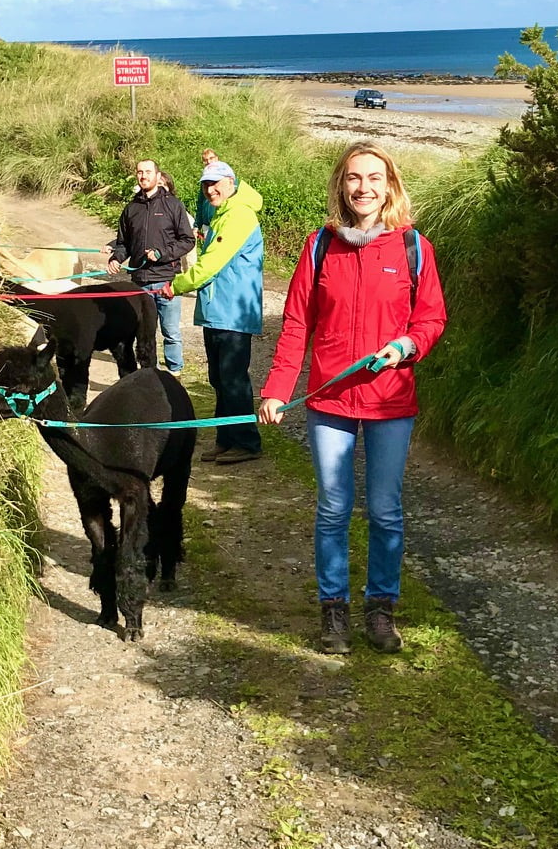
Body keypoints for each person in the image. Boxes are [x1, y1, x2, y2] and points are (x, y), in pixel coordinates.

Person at [258, 143, 447, 654]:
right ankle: (334, 611)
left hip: (390, 401)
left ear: (390, 186)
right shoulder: (320, 245)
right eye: (353, 178)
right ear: (341, 186)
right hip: (329, 401)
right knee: (333, 508)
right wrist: (277, 389)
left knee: (385, 510)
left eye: (373, 178)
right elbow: (296, 323)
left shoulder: (414, 247)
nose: (363, 187)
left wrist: (407, 346)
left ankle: (381, 610)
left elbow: (431, 318)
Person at [162, 160, 263, 465]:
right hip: (217, 310)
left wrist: (176, 285)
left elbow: (210, 264)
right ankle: (226, 438)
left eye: (216, 183)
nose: (210, 190)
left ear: (231, 182)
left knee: (233, 379)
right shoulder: (223, 213)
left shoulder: (239, 215)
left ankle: (246, 442)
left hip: (234, 312)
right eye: (206, 184)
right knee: (219, 379)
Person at [105, 158, 195, 375]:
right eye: (139, 172)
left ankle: (175, 374)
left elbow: (187, 240)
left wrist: (162, 254)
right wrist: (116, 258)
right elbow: (123, 243)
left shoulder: (173, 205)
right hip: (140, 282)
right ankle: (149, 375)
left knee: (171, 332)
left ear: (157, 175)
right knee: (144, 334)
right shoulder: (131, 208)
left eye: (147, 172)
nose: (143, 176)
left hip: (166, 281)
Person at [194, 148, 219, 240]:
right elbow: (200, 203)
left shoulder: (226, 178)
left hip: (220, 224)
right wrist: (197, 225)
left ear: (217, 158)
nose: (209, 162)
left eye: (211, 158)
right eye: (205, 160)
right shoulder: (204, 181)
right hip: (207, 226)